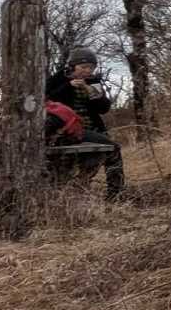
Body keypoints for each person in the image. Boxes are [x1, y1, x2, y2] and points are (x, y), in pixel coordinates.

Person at [45, 47, 126, 200]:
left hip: (92, 129)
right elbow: (48, 101)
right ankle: (78, 191)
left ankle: (116, 193)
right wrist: (68, 86)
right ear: (72, 66)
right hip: (66, 130)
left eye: (91, 67)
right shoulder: (58, 79)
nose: (87, 71)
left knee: (112, 149)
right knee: (110, 149)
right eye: (83, 67)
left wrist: (95, 94)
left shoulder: (93, 82)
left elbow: (104, 108)